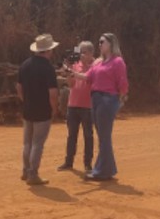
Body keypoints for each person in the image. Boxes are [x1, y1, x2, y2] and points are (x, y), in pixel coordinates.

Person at [68, 33, 128, 181]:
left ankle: (100, 171)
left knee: (104, 136)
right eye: (99, 42)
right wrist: (71, 72)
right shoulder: (99, 62)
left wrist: (120, 99)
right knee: (103, 136)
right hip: (95, 98)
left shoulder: (117, 61)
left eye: (102, 42)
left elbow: (122, 82)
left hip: (108, 99)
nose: (100, 45)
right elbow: (87, 77)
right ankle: (107, 169)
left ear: (111, 44)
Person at [16, 33, 59, 185]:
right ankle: (33, 174)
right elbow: (52, 92)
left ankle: (25, 171)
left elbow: (19, 87)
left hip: (28, 108)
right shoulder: (47, 68)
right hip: (42, 110)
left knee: (27, 142)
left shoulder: (25, 64)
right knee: (38, 143)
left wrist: (25, 100)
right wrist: (54, 108)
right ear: (47, 51)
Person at [57, 41, 95, 172]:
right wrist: (68, 74)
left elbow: (91, 81)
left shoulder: (95, 67)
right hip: (73, 104)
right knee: (71, 135)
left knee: (88, 136)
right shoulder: (76, 65)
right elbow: (71, 84)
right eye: (81, 52)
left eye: (84, 52)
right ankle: (69, 162)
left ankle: (87, 164)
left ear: (91, 53)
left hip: (88, 106)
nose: (82, 55)